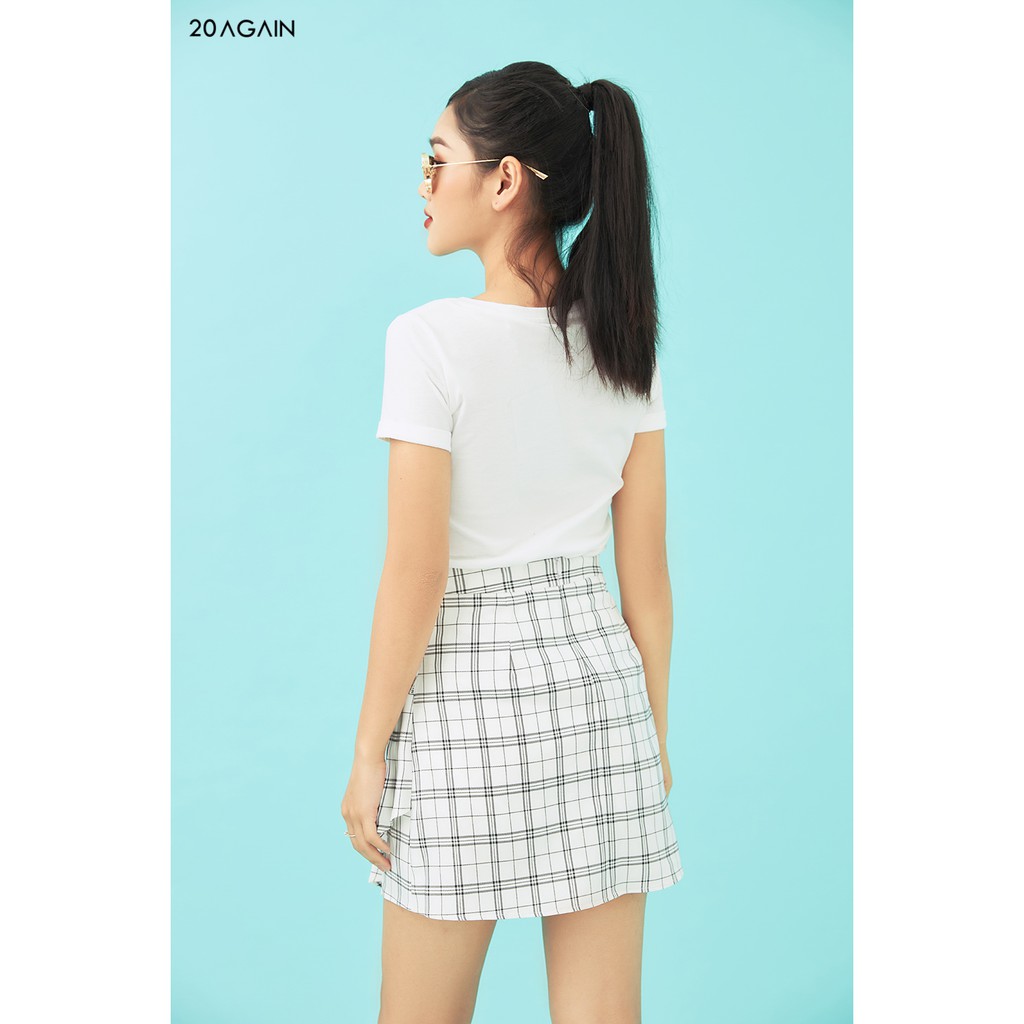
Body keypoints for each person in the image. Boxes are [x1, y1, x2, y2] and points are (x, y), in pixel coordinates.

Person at [340, 60, 683, 1024]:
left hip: (465, 693)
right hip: (601, 690)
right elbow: (647, 583)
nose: (422, 182)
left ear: (504, 181)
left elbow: (417, 572)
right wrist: (651, 739)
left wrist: (368, 751)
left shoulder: (429, 340)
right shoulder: (626, 344)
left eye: (436, 159)